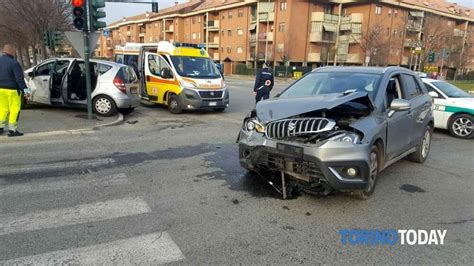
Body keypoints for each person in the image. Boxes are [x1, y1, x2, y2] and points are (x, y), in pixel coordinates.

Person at [0, 44, 30, 137]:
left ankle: (0, 127)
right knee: (14, 109)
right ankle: (12, 130)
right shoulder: (14, 63)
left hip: (1, 89)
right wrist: (26, 91)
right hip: (12, 90)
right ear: (11, 51)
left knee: (2, 109)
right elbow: (19, 79)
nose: (15, 52)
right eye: (14, 50)